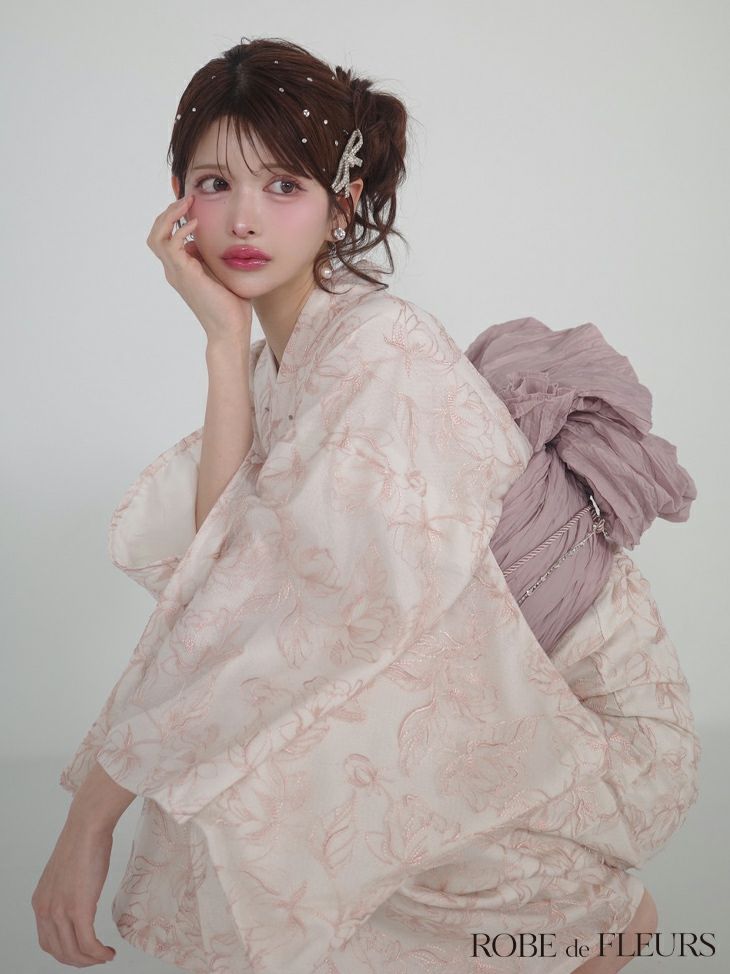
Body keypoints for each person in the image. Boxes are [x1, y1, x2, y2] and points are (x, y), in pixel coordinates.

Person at [32, 35, 699, 974]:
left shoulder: (379, 346)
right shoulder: (277, 360)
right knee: (238, 779)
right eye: (215, 184)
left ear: (341, 202)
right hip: (479, 688)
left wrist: (92, 815)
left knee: (253, 780)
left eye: (284, 186)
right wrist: (222, 342)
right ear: (178, 200)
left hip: (579, 718)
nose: (244, 218)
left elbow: (253, 611)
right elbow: (216, 568)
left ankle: (595, 923)